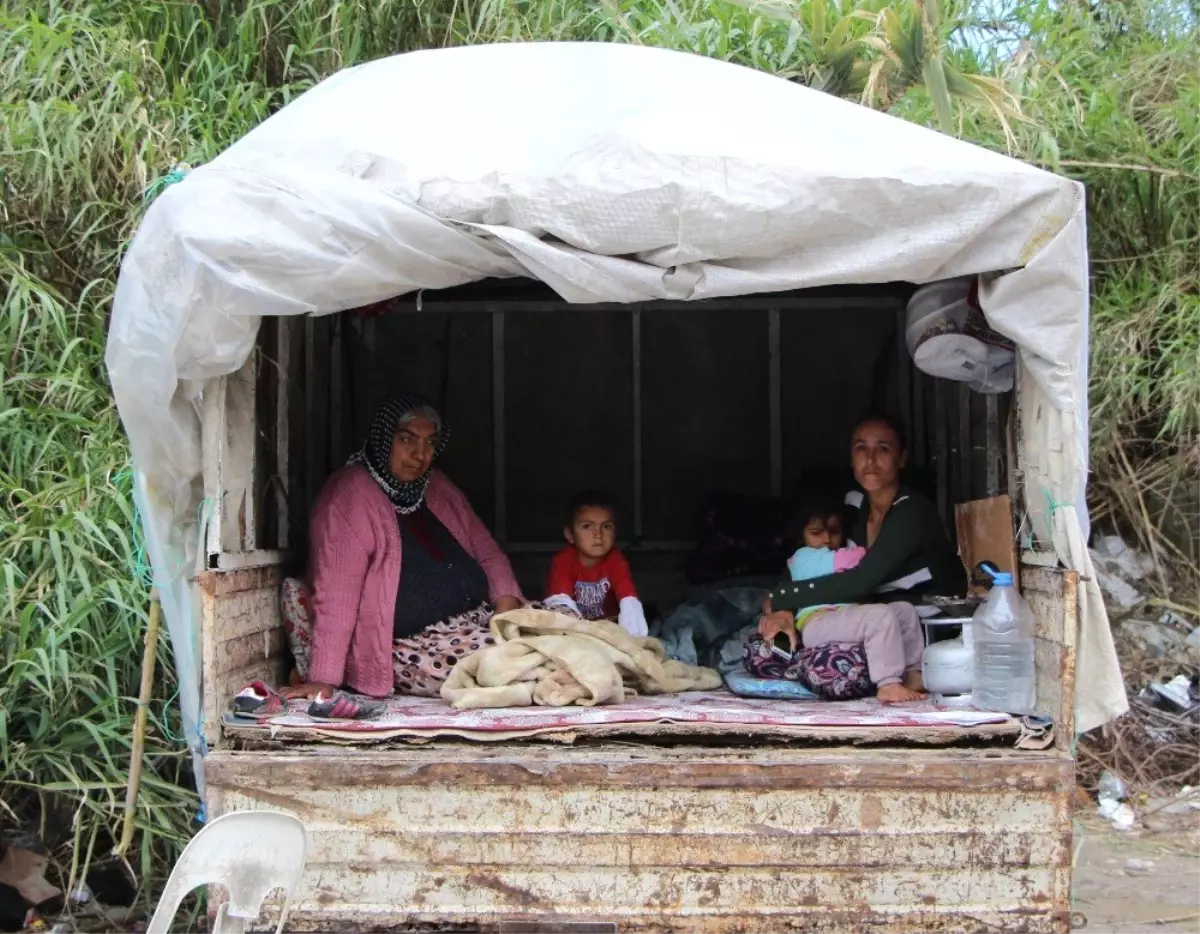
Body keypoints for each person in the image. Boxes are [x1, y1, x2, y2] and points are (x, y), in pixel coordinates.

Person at [283, 394, 523, 700]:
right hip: (416, 646)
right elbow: (336, 594)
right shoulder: (350, 497)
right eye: (407, 440)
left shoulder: (434, 485)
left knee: (563, 637)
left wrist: (505, 613)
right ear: (384, 440)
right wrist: (324, 678)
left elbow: (487, 552)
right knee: (526, 667)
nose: (419, 455)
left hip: (479, 622)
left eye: (430, 443)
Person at [759, 415, 967, 701]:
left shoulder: (912, 511)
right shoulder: (855, 505)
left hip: (922, 624)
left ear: (902, 458)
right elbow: (819, 558)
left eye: (883, 449)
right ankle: (892, 680)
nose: (870, 459)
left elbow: (860, 582)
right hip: (873, 616)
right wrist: (782, 605)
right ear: (851, 458)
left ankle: (903, 678)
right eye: (861, 448)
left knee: (887, 616)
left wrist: (785, 596)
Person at [781, 494, 925, 702]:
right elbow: (854, 560)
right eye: (816, 533)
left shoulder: (837, 550)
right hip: (818, 623)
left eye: (835, 532)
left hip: (844, 618)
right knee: (879, 615)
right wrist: (883, 549)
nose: (827, 540)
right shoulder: (802, 557)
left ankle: (912, 674)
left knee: (904, 610)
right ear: (800, 535)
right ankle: (888, 683)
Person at [544, 491, 649, 637]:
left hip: (609, 628)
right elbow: (561, 604)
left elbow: (628, 600)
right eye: (587, 526)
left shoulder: (616, 560)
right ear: (570, 535)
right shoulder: (563, 561)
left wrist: (634, 639)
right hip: (577, 630)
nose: (598, 534)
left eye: (606, 526)